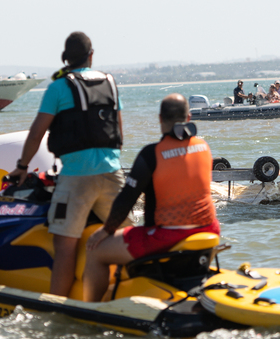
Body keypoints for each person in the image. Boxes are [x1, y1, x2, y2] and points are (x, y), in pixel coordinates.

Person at [8, 32, 125, 297]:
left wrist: (22, 166)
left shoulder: (58, 87)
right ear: (91, 56)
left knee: (64, 246)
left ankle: (58, 307)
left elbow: (37, 132)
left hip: (75, 178)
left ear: (65, 58)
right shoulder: (110, 83)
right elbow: (119, 130)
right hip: (113, 173)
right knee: (124, 238)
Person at [82, 93, 219, 302]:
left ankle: (89, 310)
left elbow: (125, 200)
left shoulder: (151, 154)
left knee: (95, 251)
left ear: (160, 119)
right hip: (208, 228)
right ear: (189, 118)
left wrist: (105, 230)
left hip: (166, 237)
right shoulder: (204, 147)